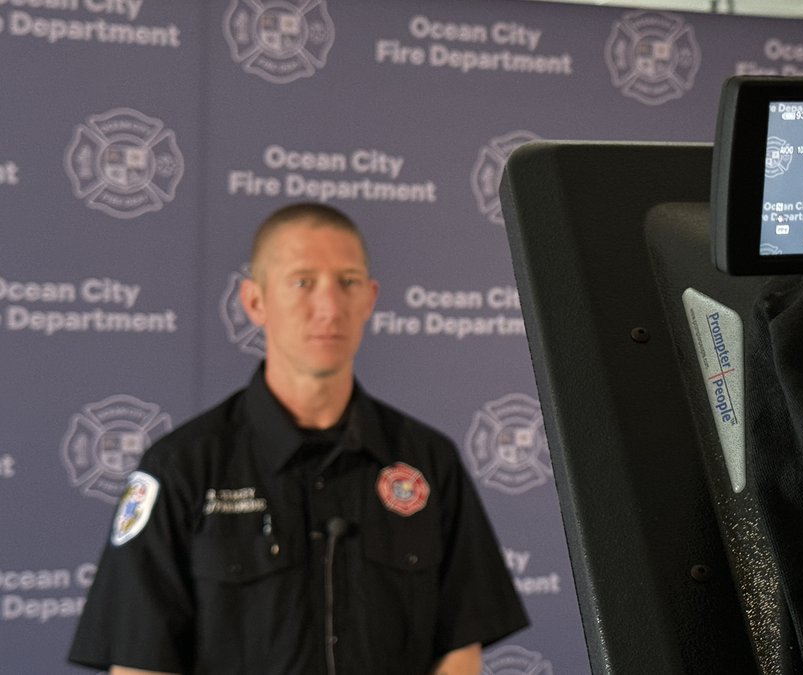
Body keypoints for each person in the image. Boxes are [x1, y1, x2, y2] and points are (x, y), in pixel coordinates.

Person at [68, 202, 529, 675]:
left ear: (370, 298)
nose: (329, 306)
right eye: (303, 282)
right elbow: (141, 663)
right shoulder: (181, 467)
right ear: (255, 302)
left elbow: (459, 653)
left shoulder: (428, 462)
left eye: (348, 282)